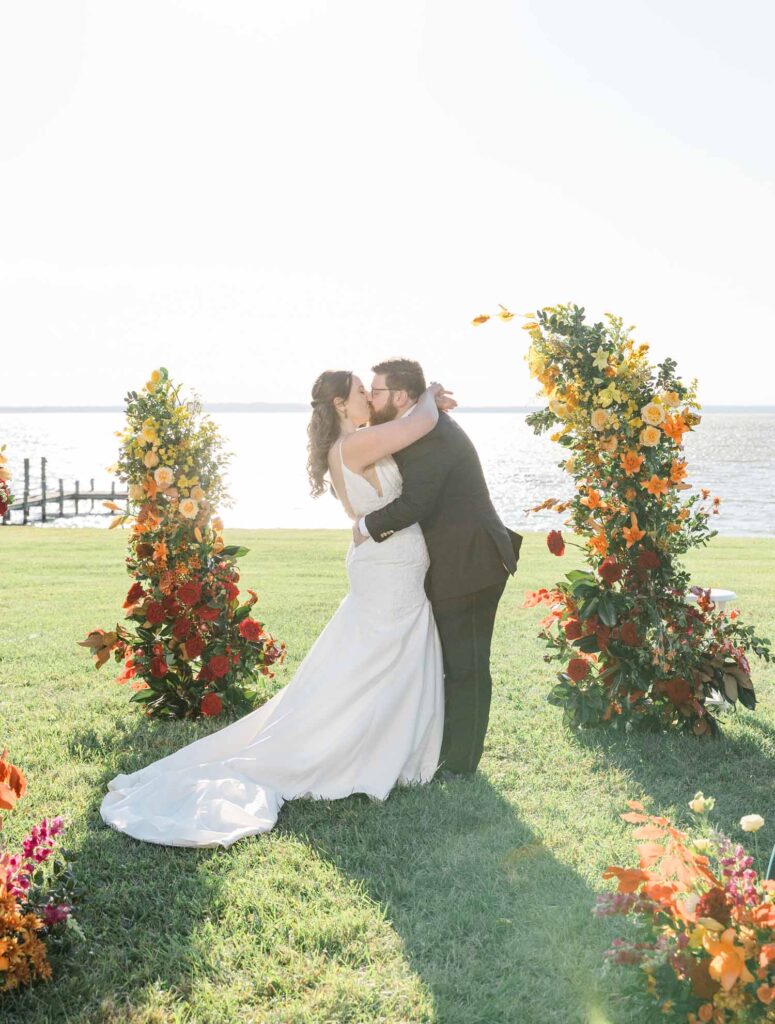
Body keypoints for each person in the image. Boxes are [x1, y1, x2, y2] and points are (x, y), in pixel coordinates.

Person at [99, 371, 454, 848]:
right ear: (341, 405)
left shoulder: (351, 444)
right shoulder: (356, 445)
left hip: (390, 569)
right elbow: (420, 424)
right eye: (361, 392)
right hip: (387, 572)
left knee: (368, 665)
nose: (369, 396)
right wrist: (429, 394)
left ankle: (383, 746)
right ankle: (360, 751)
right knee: (371, 664)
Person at [353, 358, 522, 777]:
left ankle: (461, 765)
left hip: (472, 561)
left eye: (377, 392)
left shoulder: (431, 435)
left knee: (467, 665)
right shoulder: (419, 424)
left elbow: (417, 504)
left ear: (401, 396)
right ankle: (449, 752)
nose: (372, 399)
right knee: (457, 662)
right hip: (460, 559)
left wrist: (365, 526)